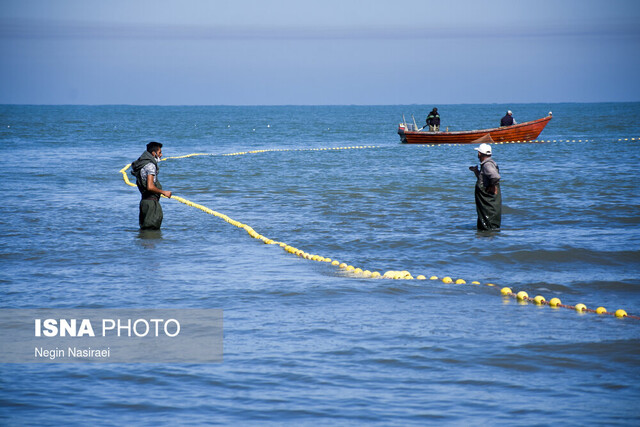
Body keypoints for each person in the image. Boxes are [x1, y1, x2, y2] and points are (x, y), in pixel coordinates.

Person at [131, 141, 172, 230]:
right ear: (153, 153)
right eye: (160, 152)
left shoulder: (143, 164)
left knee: (145, 232)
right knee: (151, 232)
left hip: (144, 203)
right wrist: (164, 192)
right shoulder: (150, 166)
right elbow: (150, 186)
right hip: (151, 205)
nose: (161, 155)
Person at [469, 143, 501, 230]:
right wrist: (476, 171)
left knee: (489, 222)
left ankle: (487, 234)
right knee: (486, 221)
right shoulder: (488, 164)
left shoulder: (487, 165)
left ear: (479, 153)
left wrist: (492, 186)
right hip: (487, 199)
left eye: (478, 153)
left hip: (488, 200)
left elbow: (495, 177)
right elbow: (484, 180)